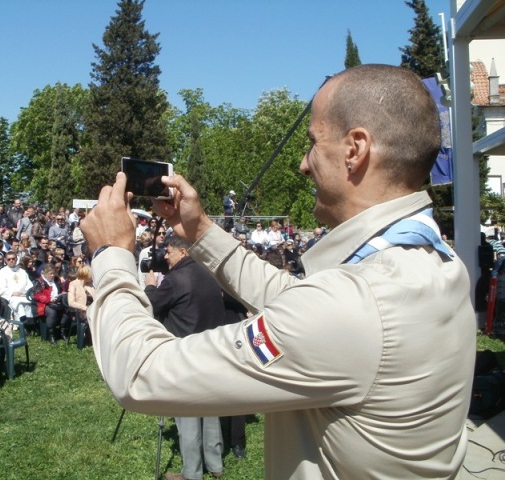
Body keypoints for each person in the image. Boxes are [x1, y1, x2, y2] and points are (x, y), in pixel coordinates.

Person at [80, 64, 476, 479]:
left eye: (312, 143)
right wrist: (199, 231)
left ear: (354, 150)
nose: (304, 165)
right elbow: (294, 299)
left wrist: (111, 253)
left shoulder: (358, 303)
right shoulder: (434, 260)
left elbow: (143, 374)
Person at [143, 234, 225, 480]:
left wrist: (149, 284)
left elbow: (149, 305)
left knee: (187, 413)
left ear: (184, 252)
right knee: (210, 410)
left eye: (169, 251)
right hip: (210, 350)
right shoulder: (208, 274)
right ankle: (216, 464)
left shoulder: (175, 279)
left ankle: (192, 473)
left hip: (184, 354)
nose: (165, 256)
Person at [32, 263, 66, 344]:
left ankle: (62, 331)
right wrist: (49, 299)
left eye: (53, 273)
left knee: (66, 310)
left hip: (56, 301)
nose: (52, 275)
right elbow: (36, 295)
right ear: (45, 273)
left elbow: (61, 290)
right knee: (52, 312)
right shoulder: (39, 281)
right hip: (41, 304)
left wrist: (61, 294)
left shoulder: (56, 280)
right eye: (50, 273)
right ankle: (51, 334)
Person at [0, 251, 33, 323]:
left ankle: (30, 322)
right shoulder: (2, 272)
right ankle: (22, 322)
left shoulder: (22, 271)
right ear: (5, 260)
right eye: (9, 259)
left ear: (16, 259)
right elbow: (0, 288)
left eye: (13, 258)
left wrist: (25, 292)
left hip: (23, 295)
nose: (11, 260)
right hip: (11, 296)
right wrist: (12, 293)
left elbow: (29, 285)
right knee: (18, 303)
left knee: (27, 301)